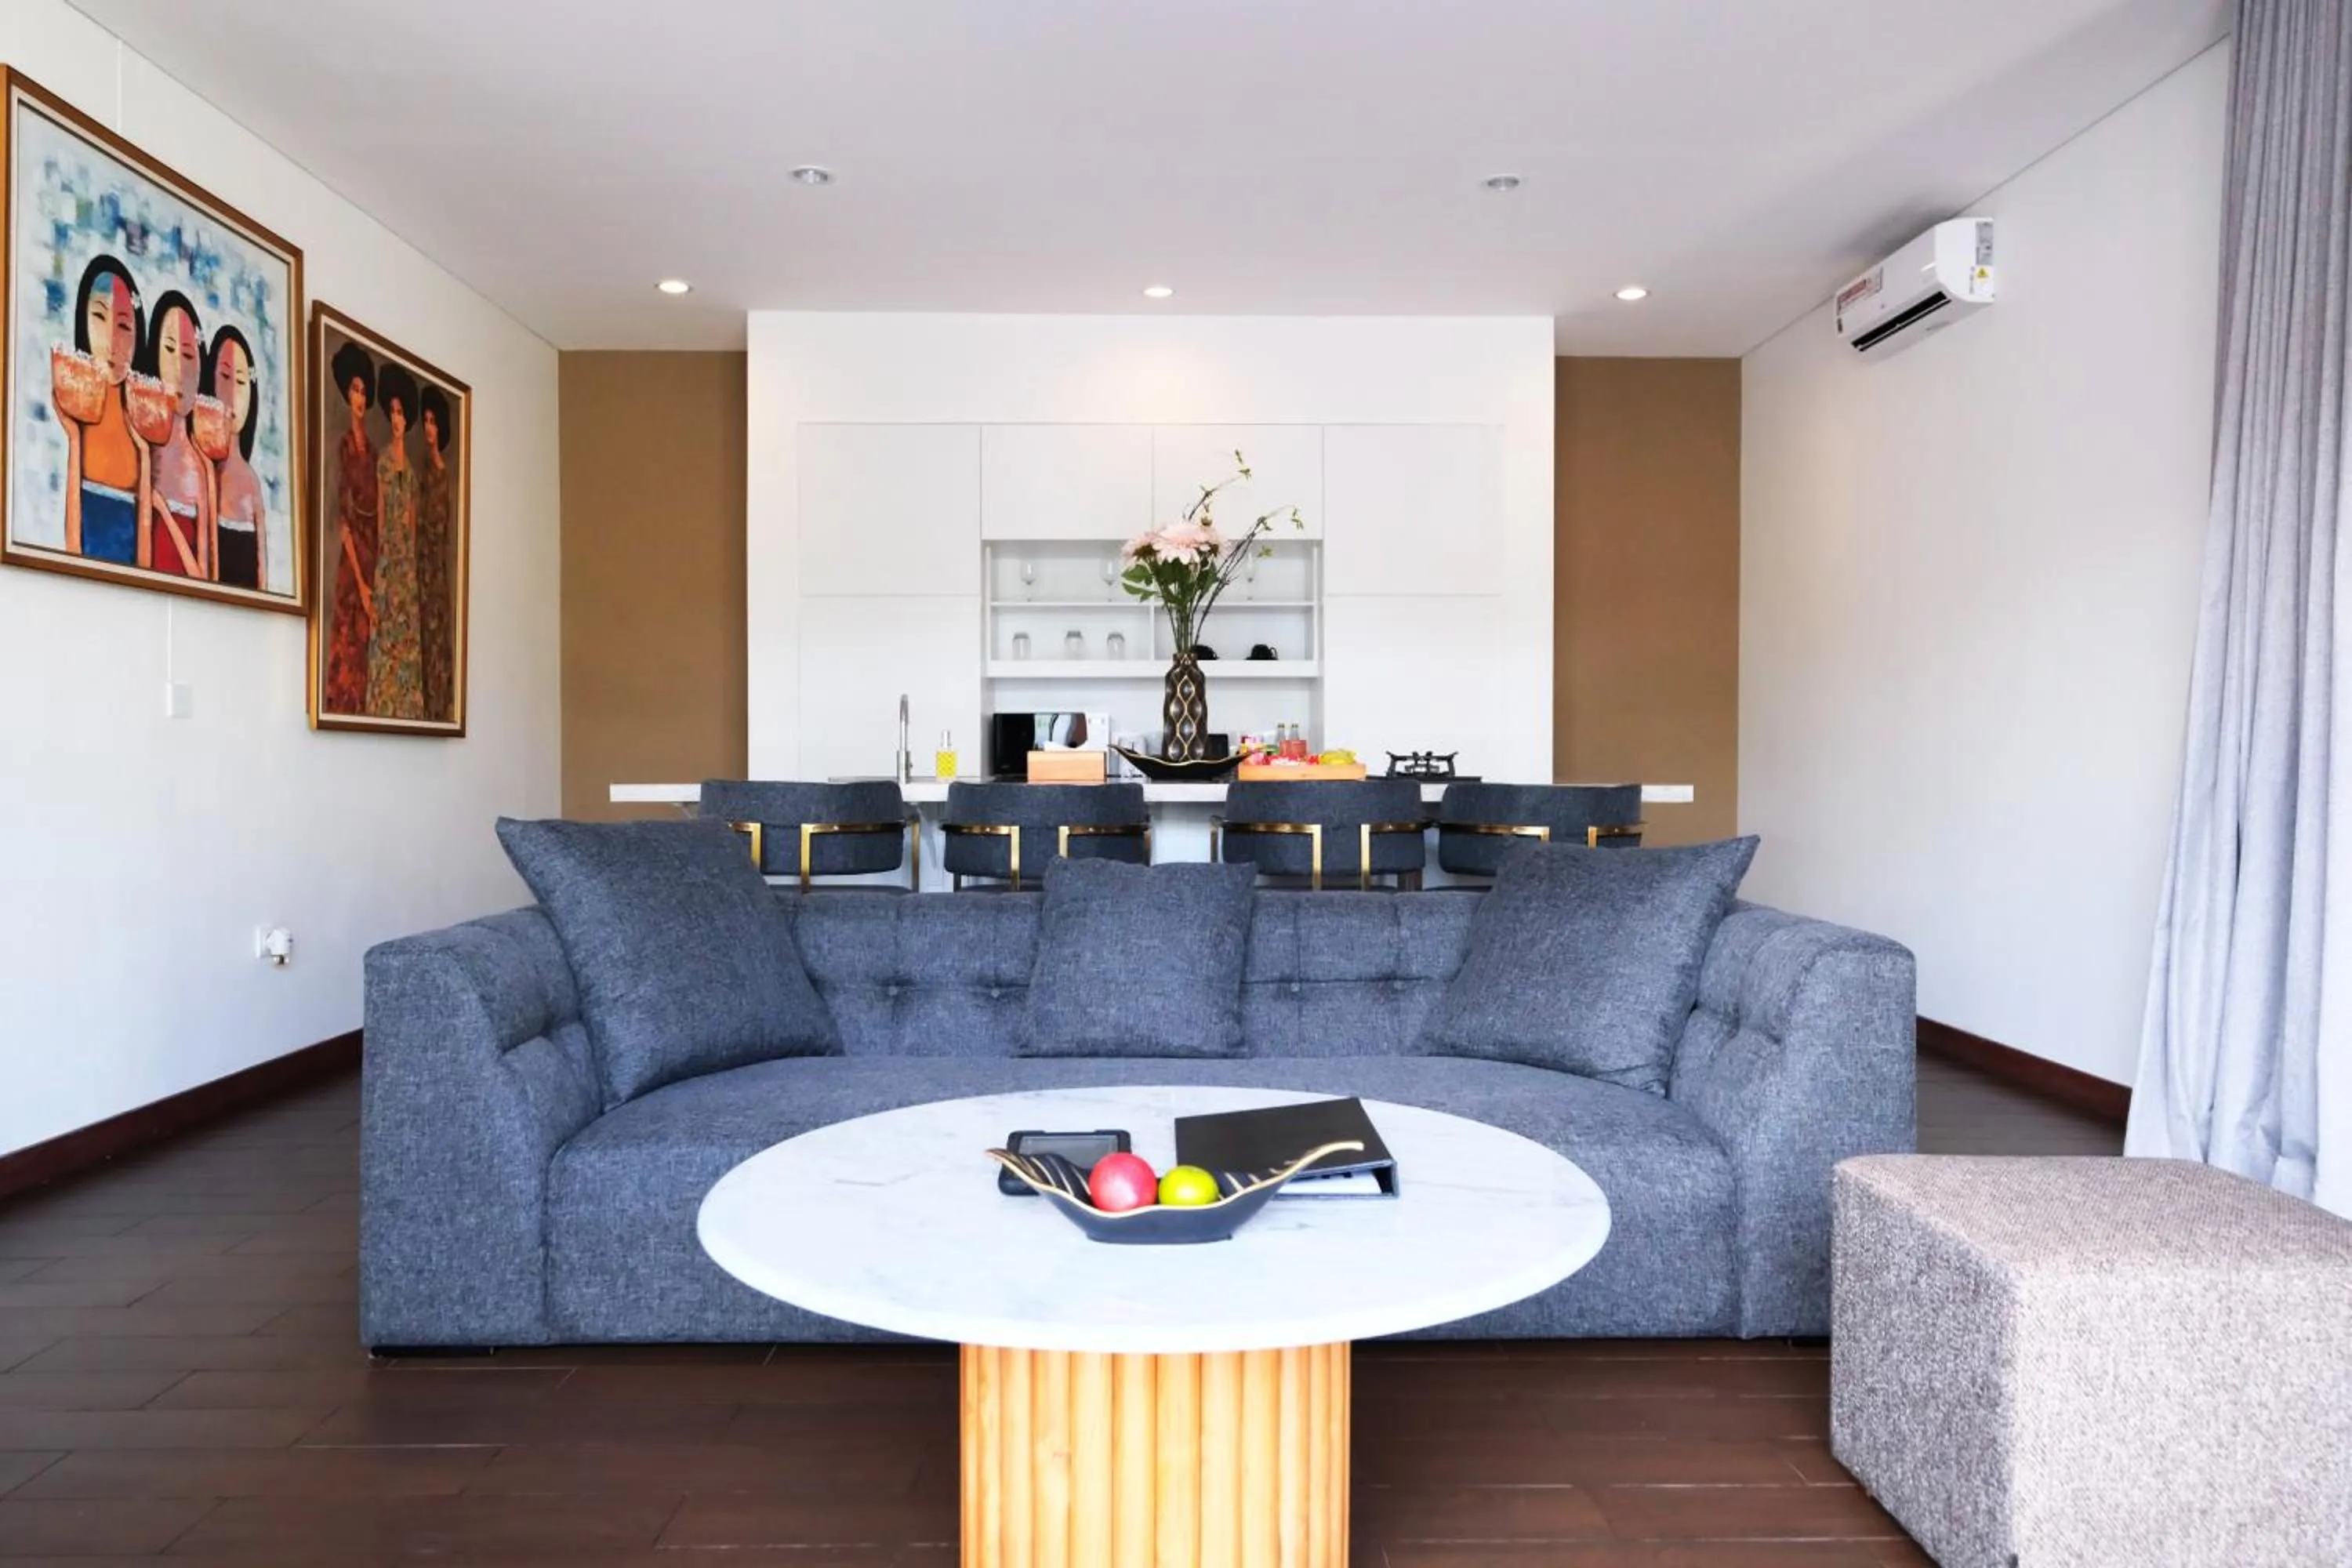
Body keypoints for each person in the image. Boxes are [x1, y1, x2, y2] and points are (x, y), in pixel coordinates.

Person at [51, 256, 144, 564]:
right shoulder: (79, 413)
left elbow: (146, 555)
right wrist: (75, 439)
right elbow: (72, 544)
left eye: (123, 325)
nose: (111, 341)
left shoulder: (141, 423)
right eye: (99, 318)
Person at [321, 340, 379, 713]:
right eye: (354, 390)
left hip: (374, 552)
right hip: (353, 561)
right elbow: (343, 521)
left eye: (363, 390)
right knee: (350, 640)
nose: (359, 397)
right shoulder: (344, 448)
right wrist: (361, 582)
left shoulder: (373, 453)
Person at [365, 362, 424, 720]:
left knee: (407, 643)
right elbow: (383, 515)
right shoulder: (384, 462)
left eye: (403, 414)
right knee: (387, 641)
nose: (397, 419)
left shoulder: (412, 473)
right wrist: (382, 570)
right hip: (390, 561)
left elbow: (413, 525)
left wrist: (410, 570)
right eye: (394, 413)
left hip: (408, 570)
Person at [139, 292, 211, 579]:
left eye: (189, 355)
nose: (180, 370)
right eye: (169, 350)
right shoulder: (145, 447)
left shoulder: (201, 465)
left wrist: (165, 512)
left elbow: (201, 577)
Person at [203, 326, 265, 592]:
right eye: (224, 377)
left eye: (240, 382)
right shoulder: (203, 470)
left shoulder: (252, 483)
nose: (232, 395)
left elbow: (262, 574)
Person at [416, 384, 456, 721]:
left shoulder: (441, 477)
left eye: (433, 421)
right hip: (419, 569)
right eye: (425, 421)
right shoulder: (423, 473)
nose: (428, 428)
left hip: (434, 573)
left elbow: (436, 528)